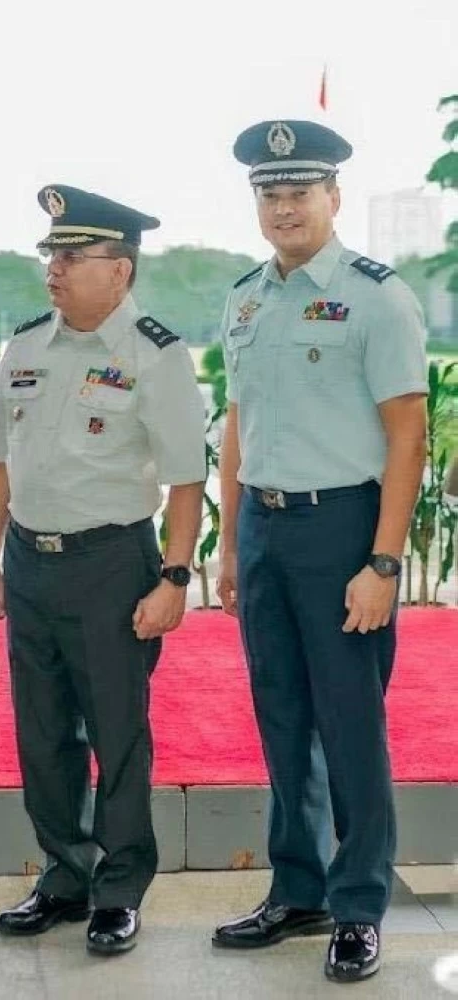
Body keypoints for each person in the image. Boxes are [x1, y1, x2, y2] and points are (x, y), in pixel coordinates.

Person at [212, 121, 428, 984]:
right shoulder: (245, 298)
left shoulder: (377, 297)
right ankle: (297, 887)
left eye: (300, 191)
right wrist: (229, 545)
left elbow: (406, 437)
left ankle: (359, 903)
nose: (284, 206)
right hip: (264, 528)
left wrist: (381, 565)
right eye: (269, 193)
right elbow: (236, 425)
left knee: (349, 722)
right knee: (282, 718)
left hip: (345, 528)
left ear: (333, 198)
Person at [0, 185, 206, 955]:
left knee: (117, 729)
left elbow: (185, 480)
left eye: (72, 257)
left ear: (121, 269)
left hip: (112, 562)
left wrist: (174, 579)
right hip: (30, 564)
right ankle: (65, 876)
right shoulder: (27, 345)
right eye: (51, 255)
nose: (55, 269)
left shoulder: (155, 354)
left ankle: (120, 887)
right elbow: (2, 461)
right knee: (42, 734)